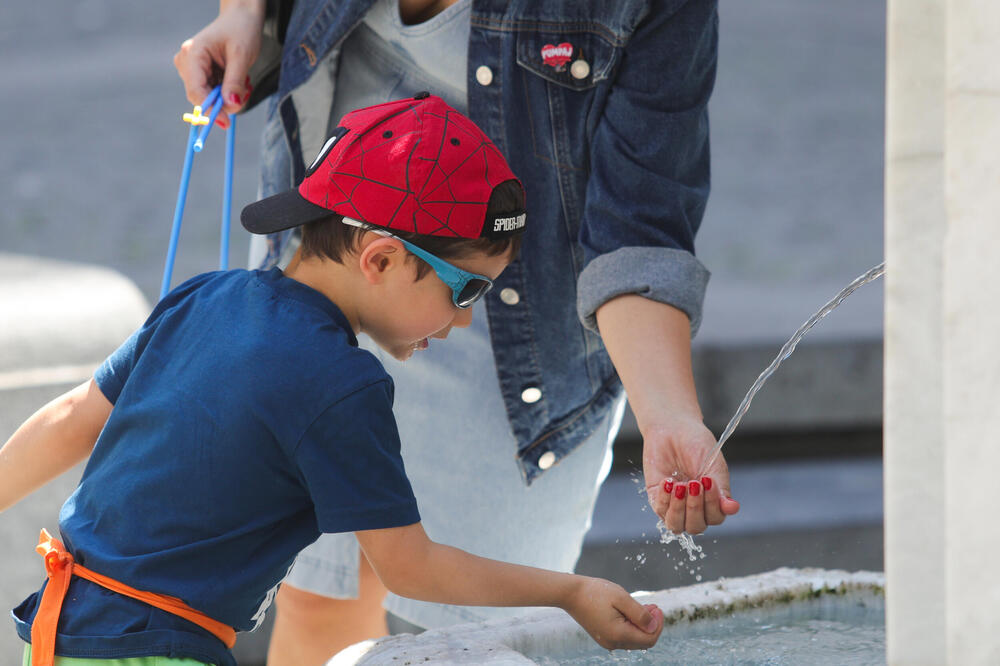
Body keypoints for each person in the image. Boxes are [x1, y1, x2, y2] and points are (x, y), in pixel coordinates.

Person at [1, 95, 666, 666]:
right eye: (467, 290)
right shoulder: (341, 383)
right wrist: (568, 592)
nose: (465, 321)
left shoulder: (204, 295)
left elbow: (72, 419)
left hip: (56, 629)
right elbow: (409, 567)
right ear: (382, 259)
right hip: (155, 652)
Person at [175, 0, 740, 662]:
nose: (464, 315)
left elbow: (638, 229)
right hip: (340, 229)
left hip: (524, 309)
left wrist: (669, 415)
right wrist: (246, 13)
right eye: (463, 300)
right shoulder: (268, 311)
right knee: (317, 596)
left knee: (478, 639)